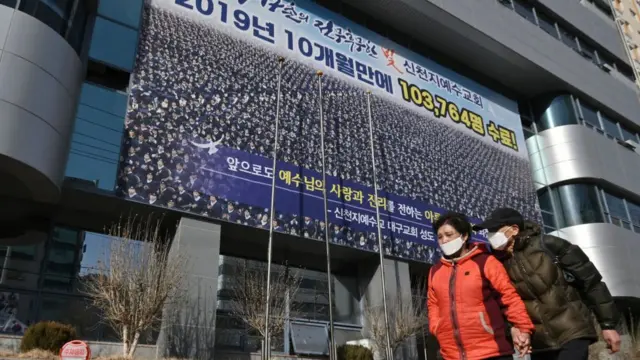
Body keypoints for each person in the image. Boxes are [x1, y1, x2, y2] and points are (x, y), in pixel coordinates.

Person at [474, 208, 621, 360]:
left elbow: (592, 283)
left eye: (495, 230)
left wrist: (608, 325)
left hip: (572, 330)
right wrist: (513, 330)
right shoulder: (496, 264)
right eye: (488, 231)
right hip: (539, 343)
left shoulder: (549, 245)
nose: (490, 236)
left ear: (514, 229)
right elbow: (503, 304)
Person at [428, 212, 534, 360]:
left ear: (464, 236)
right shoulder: (435, 271)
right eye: (440, 237)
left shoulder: (486, 262)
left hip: (491, 352)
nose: (444, 240)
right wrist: (437, 327)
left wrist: (523, 328)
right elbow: (433, 305)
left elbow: (508, 297)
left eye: (449, 234)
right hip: (452, 355)